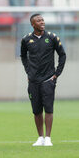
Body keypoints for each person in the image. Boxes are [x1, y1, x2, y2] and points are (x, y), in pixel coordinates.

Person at [20, 14, 66, 146]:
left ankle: (48, 138)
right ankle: (40, 137)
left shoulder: (52, 37)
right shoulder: (26, 39)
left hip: (48, 79)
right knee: (36, 110)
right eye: (38, 21)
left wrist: (57, 74)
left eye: (42, 20)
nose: (42, 22)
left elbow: (62, 55)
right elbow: (23, 56)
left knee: (49, 109)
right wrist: (28, 71)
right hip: (33, 80)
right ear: (33, 24)